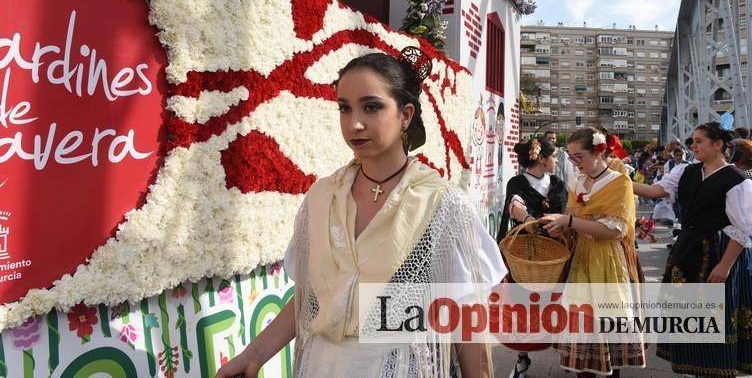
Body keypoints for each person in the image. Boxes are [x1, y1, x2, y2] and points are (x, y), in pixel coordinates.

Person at [216, 48, 506, 378]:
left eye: (372, 107)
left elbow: (466, 314)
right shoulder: (322, 197)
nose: (354, 123)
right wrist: (253, 355)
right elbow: (312, 297)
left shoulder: (442, 205)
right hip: (321, 366)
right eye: (345, 108)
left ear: (406, 115)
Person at [632, 122, 752, 377]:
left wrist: (726, 265)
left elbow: (743, 229)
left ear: (718, 145)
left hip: (718, 250)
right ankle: (692, 365)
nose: (693, 146)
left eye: (699, 141)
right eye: (693, 141)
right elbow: (655, 191)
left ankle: (713, 367)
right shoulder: (686, 171)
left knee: (714, 312)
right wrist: (617, 178)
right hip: (688, 248)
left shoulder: (736, 180)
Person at [540, 127, 646, 377]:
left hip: (608, 260)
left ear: (599, 152)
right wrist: (561, 229)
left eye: (580, 157)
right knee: (581, 332)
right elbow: (573, 218)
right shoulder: (576, 180)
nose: (575, 163)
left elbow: (615, 230)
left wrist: (569, 222)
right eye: (572, 156)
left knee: (609, 330)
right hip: (581, 258)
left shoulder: (619, 182)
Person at [497, 136, 567, 378]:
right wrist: (528, 220)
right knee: (523, 303)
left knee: (554, 301)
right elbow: (515, 205)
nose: (557, 161)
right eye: (554, 157)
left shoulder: (557, 183)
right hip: (525, 253)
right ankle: (521, 357)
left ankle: (565, 351)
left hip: (554, 252)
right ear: (542, 159)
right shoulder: (517, 183)